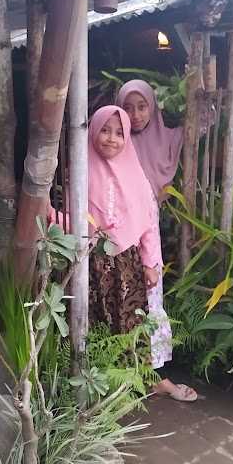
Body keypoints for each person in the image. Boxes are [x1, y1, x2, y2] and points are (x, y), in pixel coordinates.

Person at [117, 80, 197, 402]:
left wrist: (198, 85)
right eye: (128, 108)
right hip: (116, 235)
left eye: (142, 106)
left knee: (150, 301)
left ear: (153, 106)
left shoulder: (167, 137)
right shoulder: (114, 142)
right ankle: (125, 373)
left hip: (147, 231)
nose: (135, 115)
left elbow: (202, 123)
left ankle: (155, 376)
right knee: (120, 303)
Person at [87, 105, 161, 334]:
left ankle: (131, 370)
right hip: (91, 261)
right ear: (93, 130)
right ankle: (100, 370)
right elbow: (75, 217)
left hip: (128, 262)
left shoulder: (135, 175)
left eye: (119, 133)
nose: (112, 139)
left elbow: (148, 223)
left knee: (130, 324)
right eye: (105, 130)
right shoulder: (82, 170)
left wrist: (150, 264)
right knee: (96, 323)